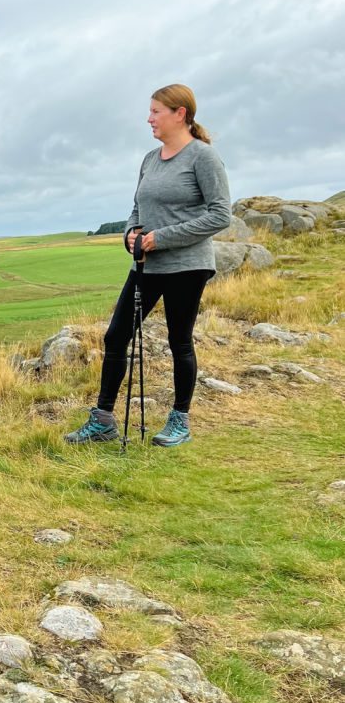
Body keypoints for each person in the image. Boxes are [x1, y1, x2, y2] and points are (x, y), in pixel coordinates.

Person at [65, 83, 231, 448]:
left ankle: (180, 420)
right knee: (115, 336)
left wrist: (162, 237)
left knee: (179, 341)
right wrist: (130, 233)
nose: (149, 118)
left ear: (180, 114)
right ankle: (104, 420)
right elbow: (137, 208)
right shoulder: (150, 159)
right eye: (150, 111)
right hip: (146, 265)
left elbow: (221, 216)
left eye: (156, 111)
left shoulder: (203, 157)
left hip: (188, 265)